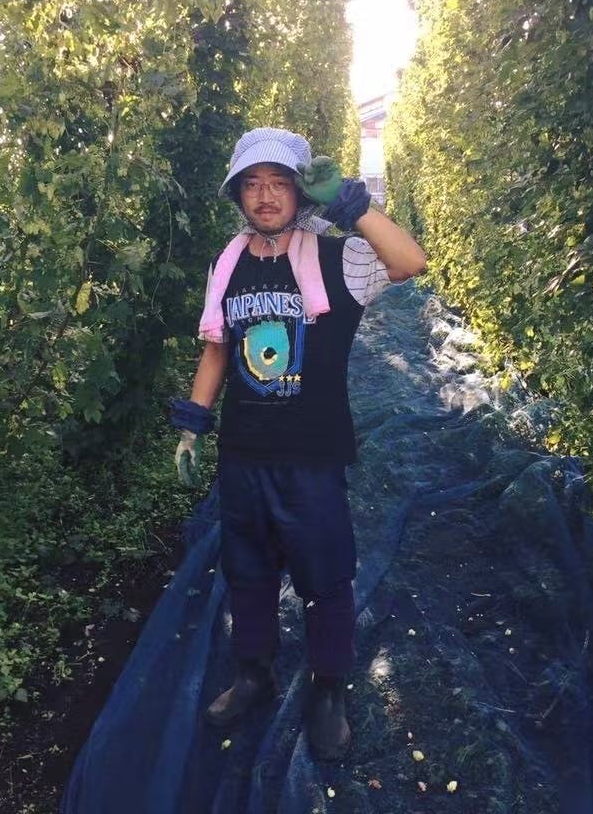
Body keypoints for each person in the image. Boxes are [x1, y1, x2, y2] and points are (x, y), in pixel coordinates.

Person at [169, 127, 427, 762]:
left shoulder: (340, 260)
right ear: (238, 194)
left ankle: (329, 687)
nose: (265, 196)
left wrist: (351, 202)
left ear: (301, 192)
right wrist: (193, 425)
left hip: (312, 458)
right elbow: (217, 349)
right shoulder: (226, 264)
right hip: (243, 456)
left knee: (325, 576)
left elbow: (409, 262)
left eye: (279, 183)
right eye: (252, 184)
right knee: (248, 574)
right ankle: (254, 673)